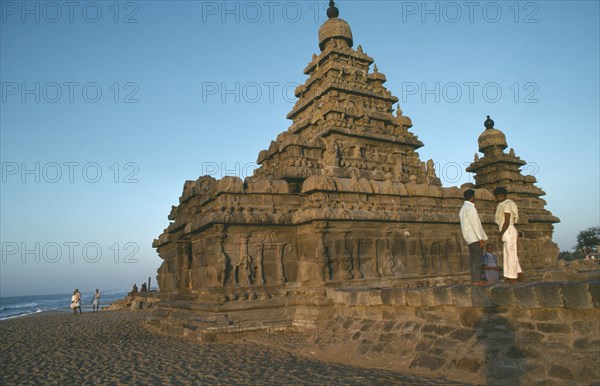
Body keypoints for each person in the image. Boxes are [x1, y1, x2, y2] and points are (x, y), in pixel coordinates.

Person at [493, 187, 523, 284]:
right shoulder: (502, 205)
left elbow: (506, 221)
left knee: (511, 255)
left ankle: (512, 277)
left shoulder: (507, 205)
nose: (499, 198)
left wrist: (501, 234)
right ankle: (519, 274)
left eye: (501, 196)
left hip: (508, 230)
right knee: (509, 254)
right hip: (506, 230)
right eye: (497, 197)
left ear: (505, 196)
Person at [459, 189, 488, 285]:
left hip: (469, 237)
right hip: (474, 237)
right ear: (472, 197)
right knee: (477, 259)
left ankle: (474, 279)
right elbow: (475, 223)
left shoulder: (463, 208)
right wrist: (480, 238)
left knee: (473, 259)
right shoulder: (471, 208)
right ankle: (477, 280)